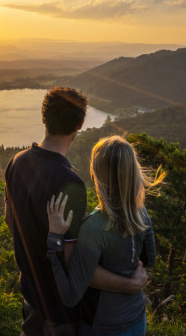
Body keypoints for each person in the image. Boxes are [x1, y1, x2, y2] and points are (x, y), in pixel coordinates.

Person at [5, 88, 149, 336]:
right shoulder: (68, 183)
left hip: (30, 292)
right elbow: (76, 266)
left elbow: (10, 220)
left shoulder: (17, 162)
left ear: (44, 117)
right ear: (80, 125)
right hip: (58, 307)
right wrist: (129, 285)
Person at [46, 136, 163, 336]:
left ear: (97, 175)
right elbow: (149, 259)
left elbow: (70, 295)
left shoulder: (94, 228)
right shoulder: (141, 212)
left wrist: (54, 239)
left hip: (105, 326)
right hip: (137, 319)